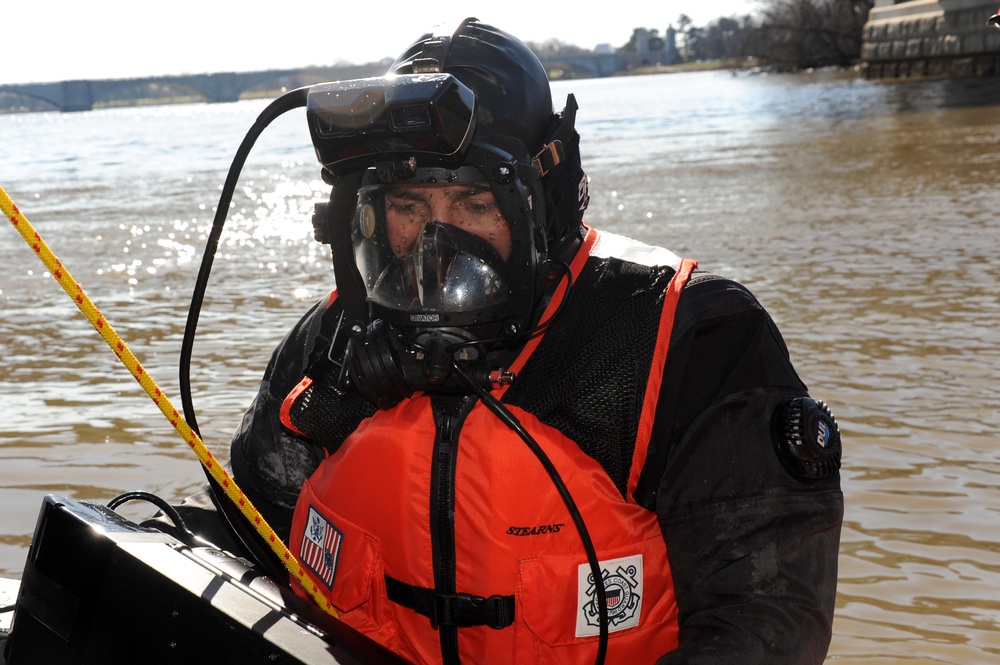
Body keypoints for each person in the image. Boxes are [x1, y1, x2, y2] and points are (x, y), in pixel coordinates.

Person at [223, 17, 843, 665]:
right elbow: (244, 524)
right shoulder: (331, 349)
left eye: (473, 203)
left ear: (540, 204)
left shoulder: (686, 339)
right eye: (409, 204)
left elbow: (766, 620)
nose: (439, 243)